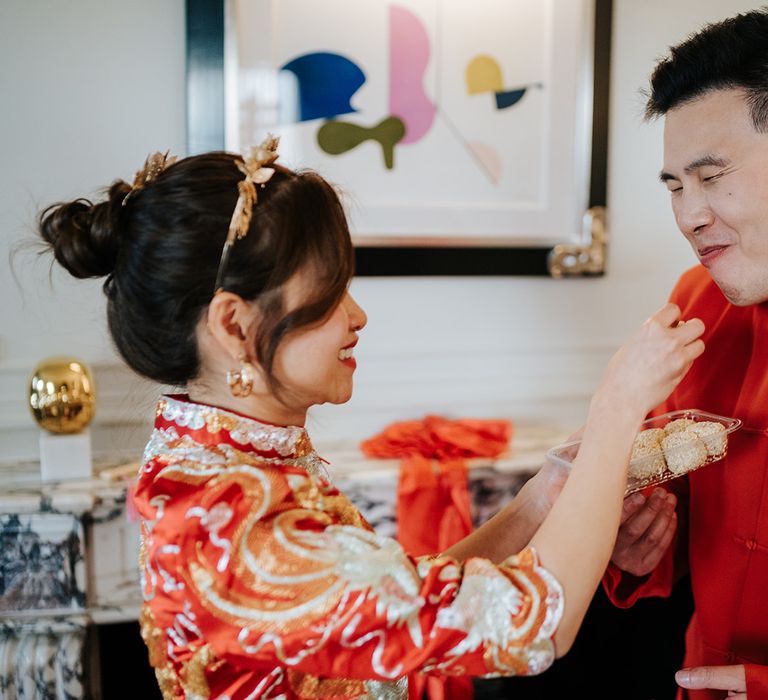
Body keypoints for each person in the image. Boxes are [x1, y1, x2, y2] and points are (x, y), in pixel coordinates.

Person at [38, 136, 703, 699]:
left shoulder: (225, 468)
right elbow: (535, 626)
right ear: (234, 324)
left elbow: (405, 605)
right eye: (330, 295)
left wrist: (540, 500)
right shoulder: (229, 523)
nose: (356, 317)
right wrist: (618, 407)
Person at [603, 9, 768, 700]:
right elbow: (668, 489)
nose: (688, 216)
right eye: (674, 185)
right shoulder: (695, 303)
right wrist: (635, 539)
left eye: (710, 175)